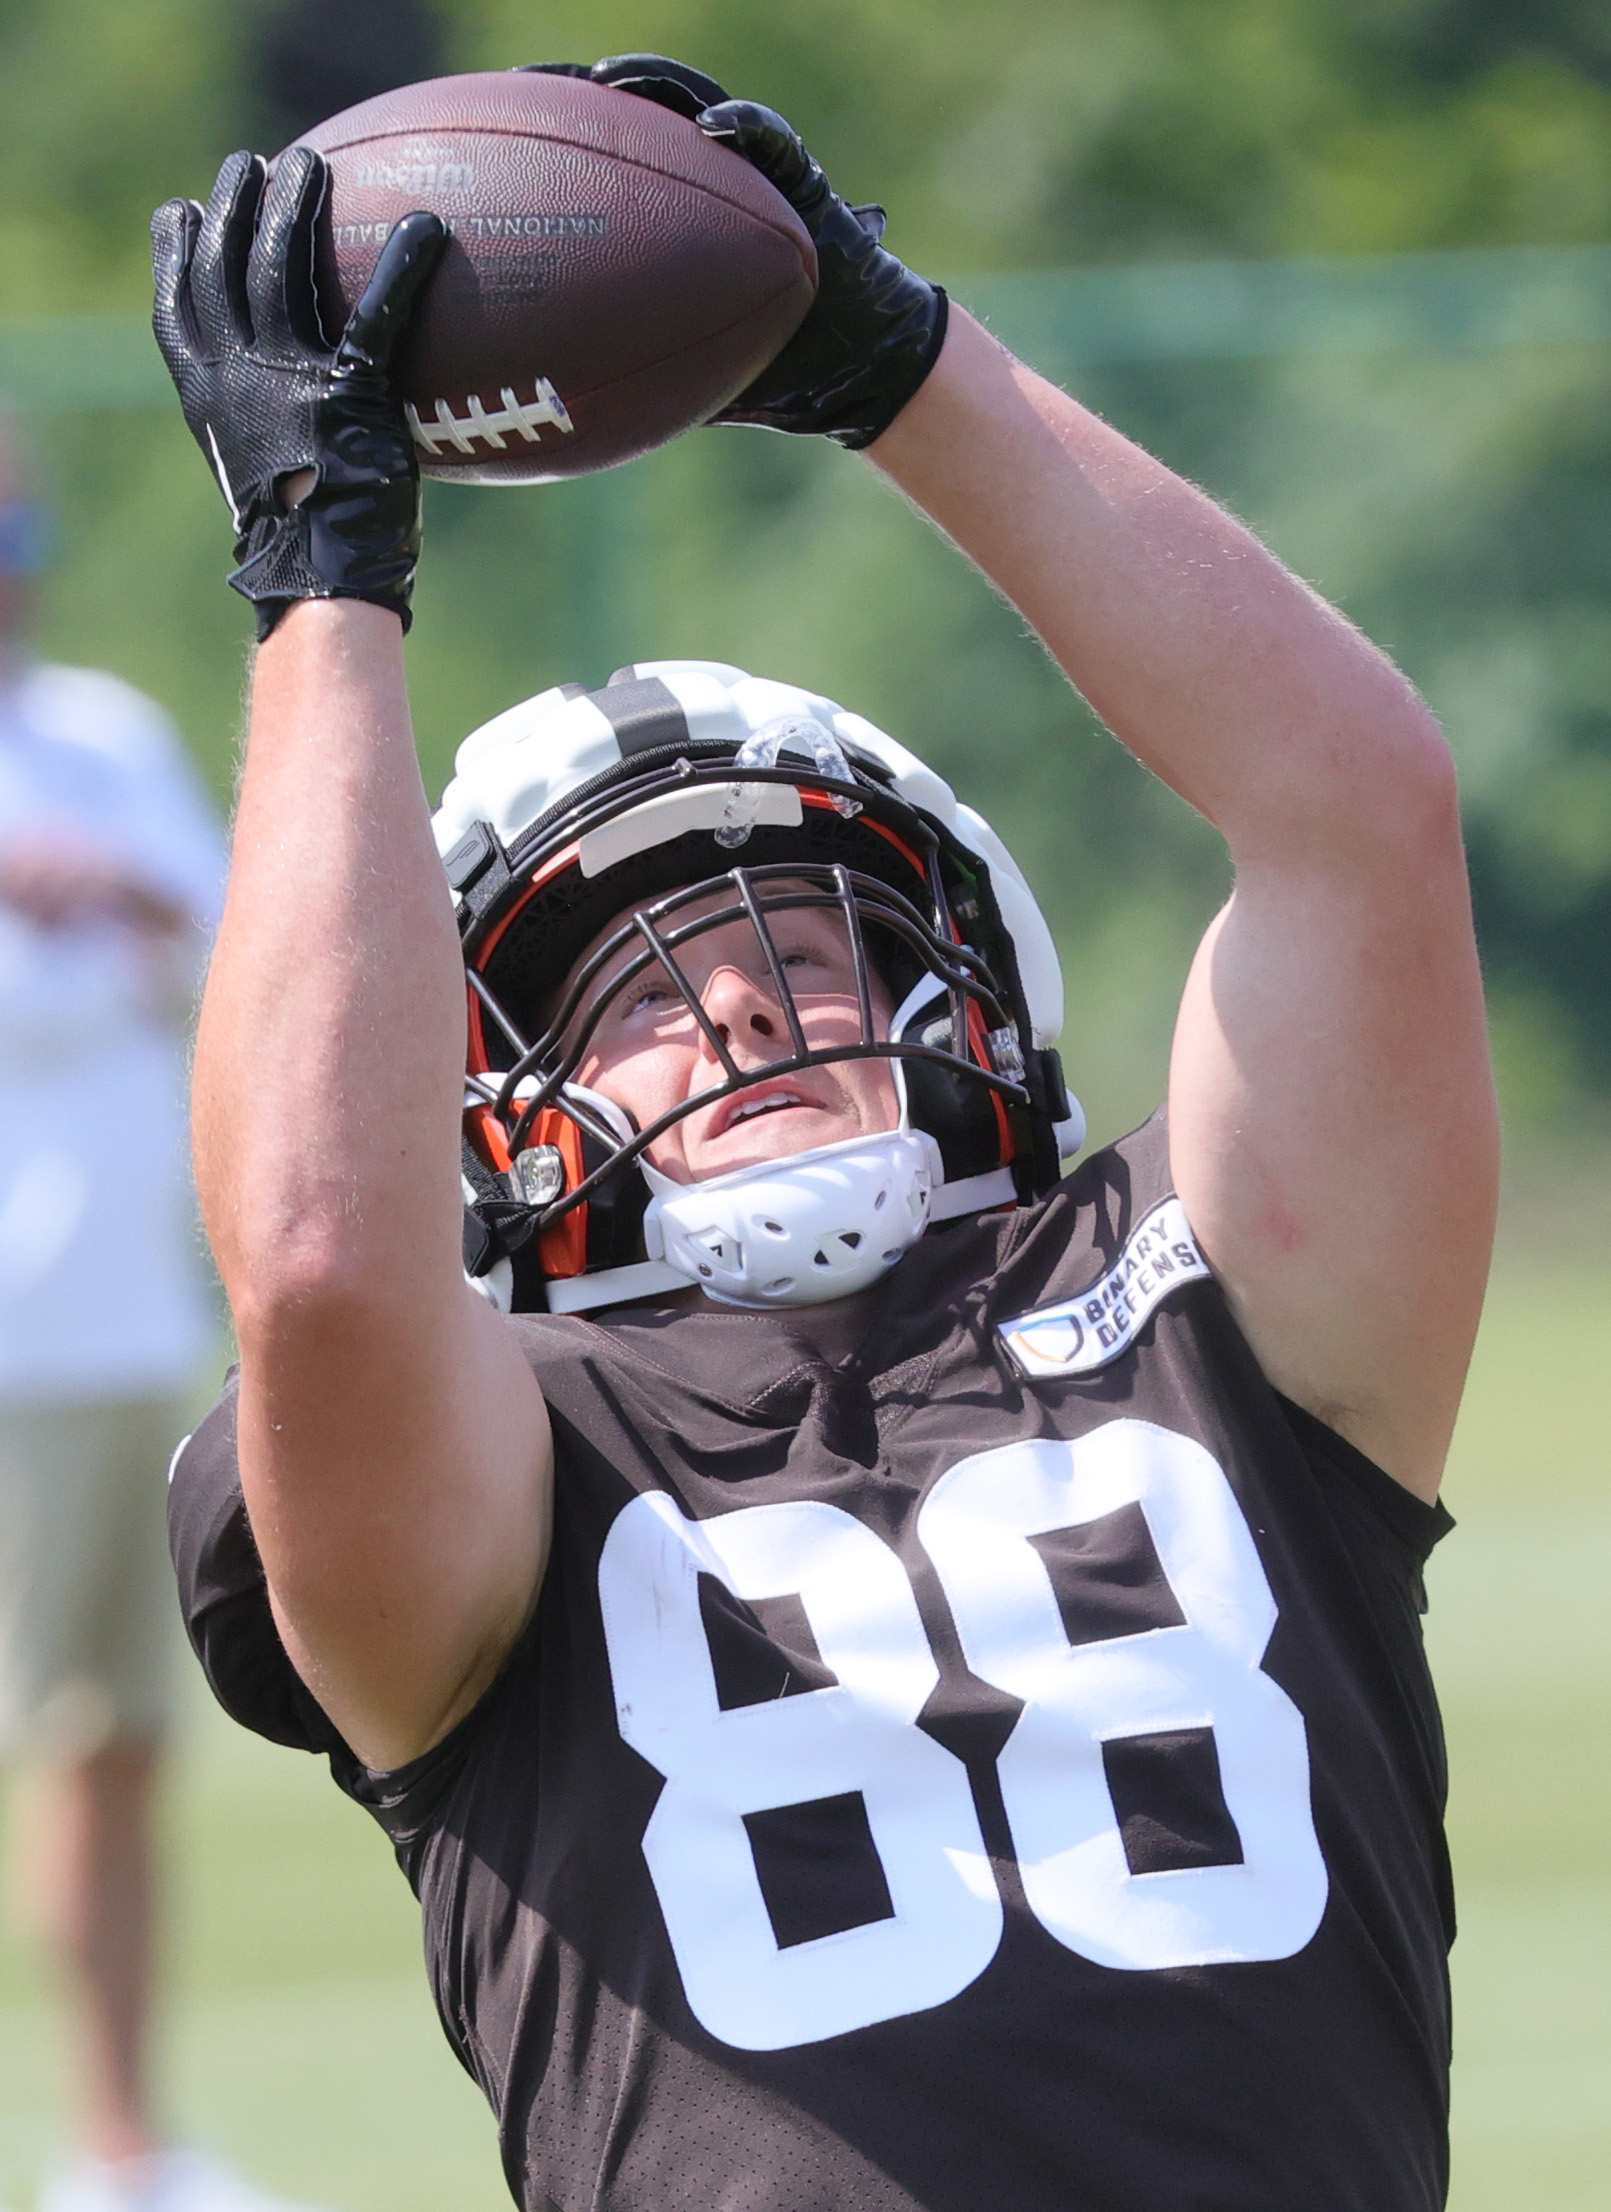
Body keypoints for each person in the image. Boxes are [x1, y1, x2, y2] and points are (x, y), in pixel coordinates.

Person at [153, 53, 1498, 2212]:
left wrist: (891, 354)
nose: (743, 997)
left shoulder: (1208, 1312)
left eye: (811, 937)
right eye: (633, 987)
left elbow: (1355, 817)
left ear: (971, 983)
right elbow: (316, 1247)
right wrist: (326, 573)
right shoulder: (509, 1459)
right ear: (487, 1115)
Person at [0, 440, 318, 2212]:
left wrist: (115, 902)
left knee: (108, 1741)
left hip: (118, 1329)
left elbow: (243, 970)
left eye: (21, 530)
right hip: (12, 1343)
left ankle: (118, 2153)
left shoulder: (104, 737)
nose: (12, 566)